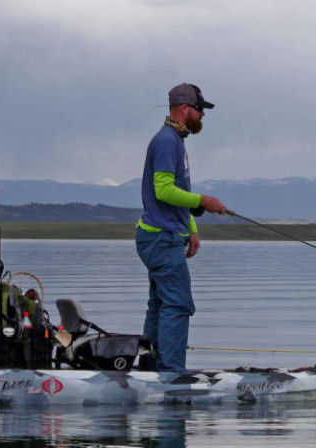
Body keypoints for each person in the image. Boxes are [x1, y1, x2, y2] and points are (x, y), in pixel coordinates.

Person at [136, 83, 227, 372]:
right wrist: (204, 200)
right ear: (185, 109)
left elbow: (177, 190)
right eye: (200, 110)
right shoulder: (166, 141)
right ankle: (171, 374)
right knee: (177, 304)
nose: (202, 116)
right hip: (160, 239)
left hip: (164, 235)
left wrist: (190, 227)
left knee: (161, 304)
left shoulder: (176, 140)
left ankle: (150, 368)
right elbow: (163, 190)